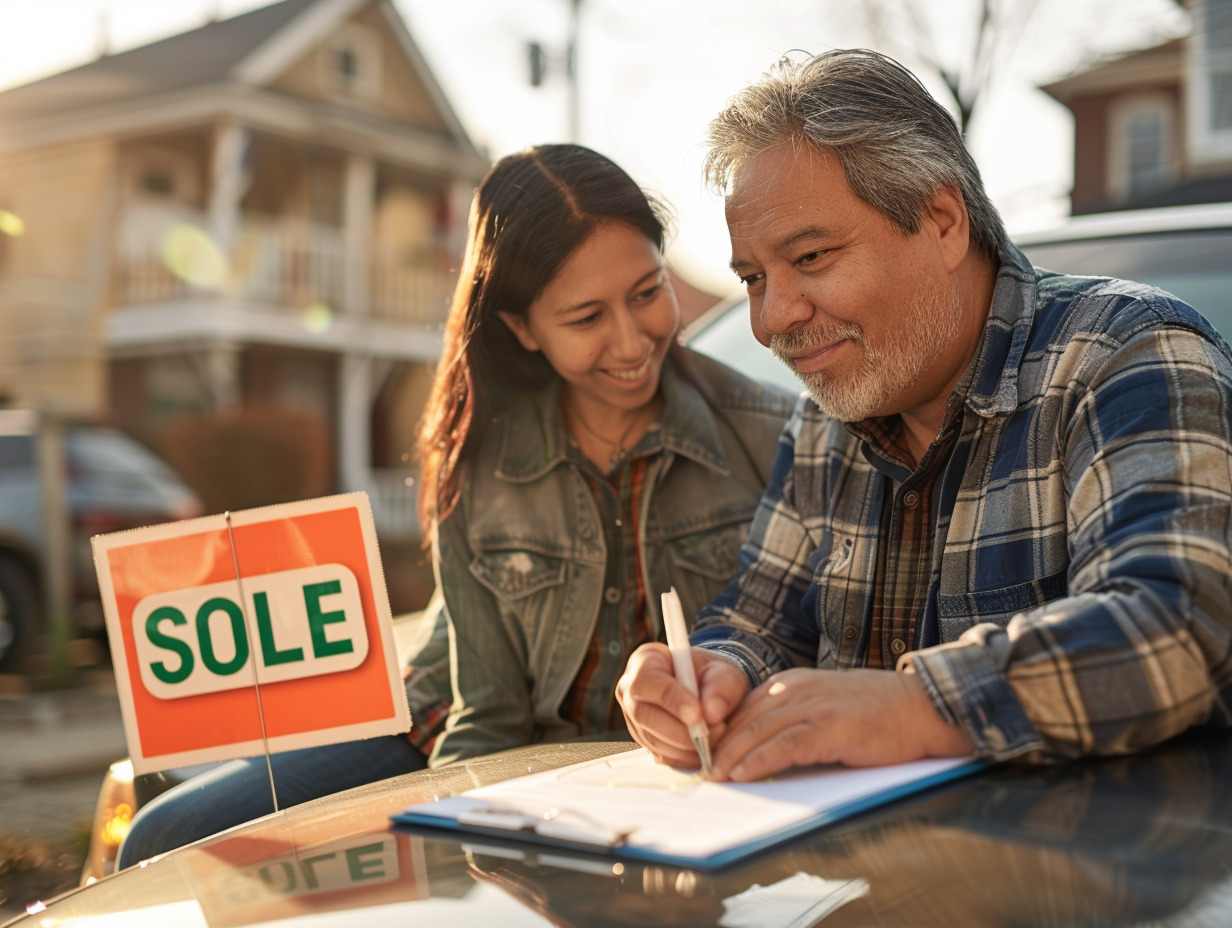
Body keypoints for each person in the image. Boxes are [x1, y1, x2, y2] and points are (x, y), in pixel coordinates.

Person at [116, 144, 794, 867]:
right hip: (467, 734)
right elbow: (486, 720)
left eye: (647, 291)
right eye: (586, 316)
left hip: (654, 771)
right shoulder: (477, 453)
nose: (631, 340)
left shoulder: (771, 432)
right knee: (162, 838)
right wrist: (465, 843)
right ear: (523, 329)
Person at [616, 48, 1232, 784]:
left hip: (1094, 883)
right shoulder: (826, 419)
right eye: (752, 278)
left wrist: (914, 707)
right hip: (849, 887)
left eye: (811, 256)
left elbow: (1175, 628)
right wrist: (711, 676)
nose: (771, 317)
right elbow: (758, 617)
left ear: (942, 222)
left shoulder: (1126, 355)